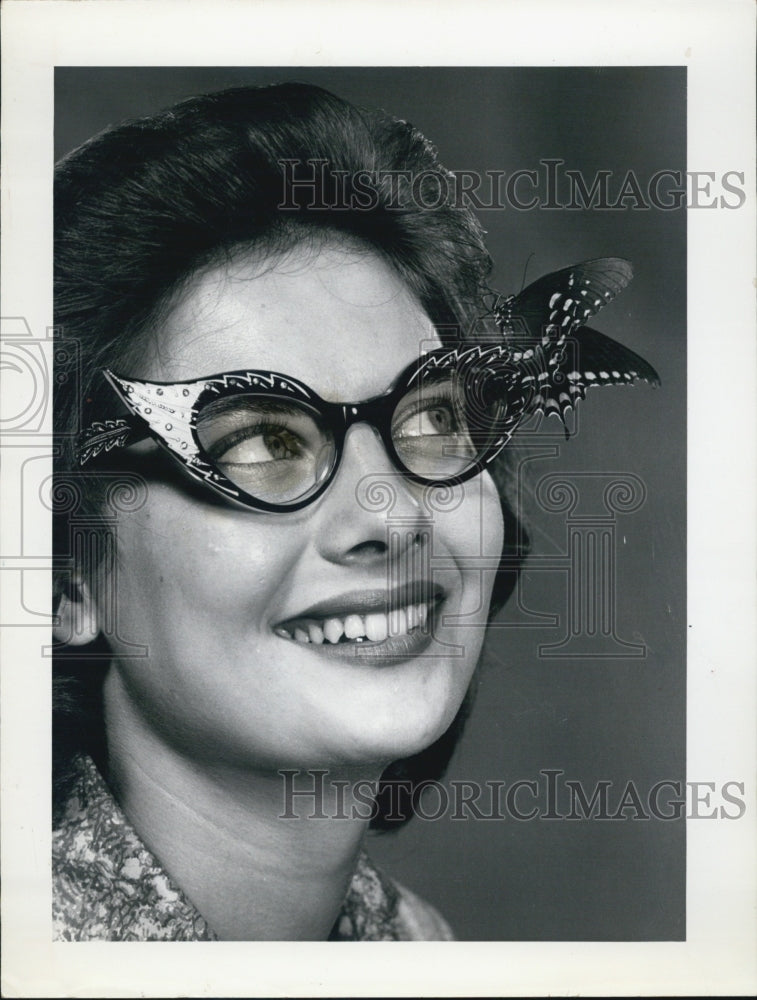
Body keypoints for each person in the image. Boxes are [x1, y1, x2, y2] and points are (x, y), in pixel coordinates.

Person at [51, 82, 654, 941]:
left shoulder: (416, 944)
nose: (394, 517)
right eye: (262, 441)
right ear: (66, 576)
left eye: (434, 416)